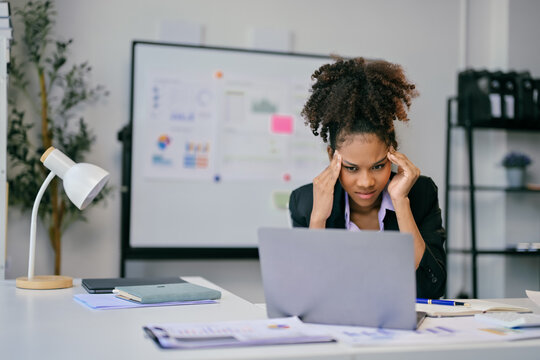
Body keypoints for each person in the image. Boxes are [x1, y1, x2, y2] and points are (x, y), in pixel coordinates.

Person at [288, 57, 446, 299]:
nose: (366, 182)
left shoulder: (420, 193)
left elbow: (430, 289)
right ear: (333, 157)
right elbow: (303, 295)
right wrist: (318, 220)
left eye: (378, 166)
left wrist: (401, 202)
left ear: (392, 154)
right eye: (351, 168)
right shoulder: (305, 201)